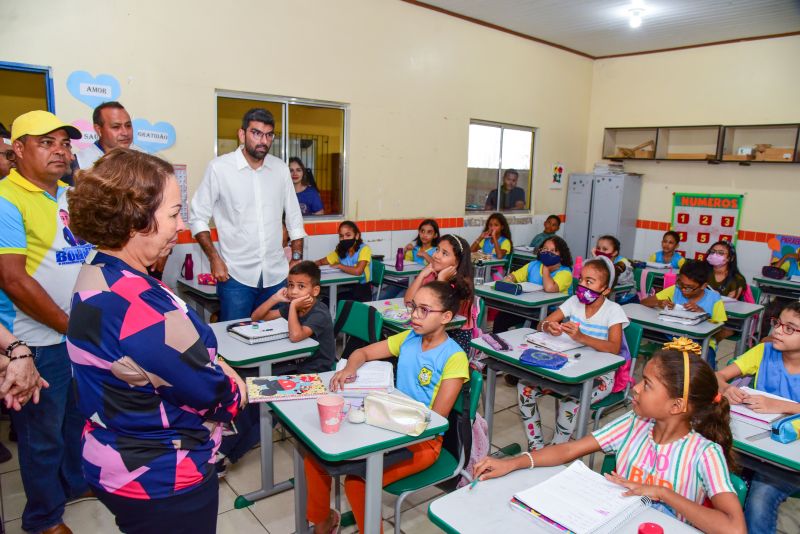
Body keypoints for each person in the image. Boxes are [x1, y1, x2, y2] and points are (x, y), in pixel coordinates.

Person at [67, 148, 246, 534]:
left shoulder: (102, 269)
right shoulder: (137, 304)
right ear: (135, 219)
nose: (181, 226)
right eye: (173, 213)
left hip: (119, 455)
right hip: (159, 475)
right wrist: (234, 387)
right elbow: (208, 392)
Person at [473, 348, 746, 533]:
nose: (636, 388)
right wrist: (514, 463)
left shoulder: (704, 453)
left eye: (647, 384)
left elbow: (734, 528)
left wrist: (662, 493)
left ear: (676, 406)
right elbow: (570, 449)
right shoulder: (634, 423)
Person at [308, 281, 469, 533]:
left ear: (446, 317)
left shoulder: (454, 357)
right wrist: (350, 368)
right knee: (316, 455)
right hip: (387, 423)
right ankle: (323, 522)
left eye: (424, 310)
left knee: (358, 483)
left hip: (422, 439)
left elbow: (437, 419)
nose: (414, 315)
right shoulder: (410, 338)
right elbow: (363, 352)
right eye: (414, 307)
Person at [0, 110, 88, 534]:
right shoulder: (6, 200)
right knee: (41, 435)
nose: (60, 151)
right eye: (46, 142)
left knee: (75, 419)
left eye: (65, 143)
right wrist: (70, 327)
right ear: (18, 150)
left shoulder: (68, 195)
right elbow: (14, 280)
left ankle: (72, 485)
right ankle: (43, 518)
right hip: (32, 339)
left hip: (73, 333)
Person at [189, 108, 306, 321]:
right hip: (236, 277)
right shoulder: (220, 169)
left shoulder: (280, 169)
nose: (263, 140)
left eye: (269, 135)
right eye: (256, 133)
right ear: (242, 134)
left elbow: (294, 219)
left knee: (276, 339)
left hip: (276, 276)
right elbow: (197, 217)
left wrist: (296, 257)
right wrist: (214, 258)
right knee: (235, 337)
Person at [518, 257, 630, 449]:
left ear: (606, 290)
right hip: (567, 367)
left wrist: (582, 337)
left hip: (600, 377)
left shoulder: (613, 311)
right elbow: (541, 324)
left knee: (572, 399)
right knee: (524, 387)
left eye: (590, 281)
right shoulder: (573, 302)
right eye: (581, 279)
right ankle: (536, 445)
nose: (582, 285)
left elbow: (614, 348)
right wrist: (549, 326)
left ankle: (556, 450)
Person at [716, 300, 800, 534]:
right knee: (712, 474)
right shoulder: (765, 351)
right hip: (752, 444)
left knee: (760, 498)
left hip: (789, 461)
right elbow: (717, 376)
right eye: (778, 323)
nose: (777, 331)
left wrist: (781, 405)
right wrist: (726, 388)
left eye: (790, 328)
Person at [641, 260, 727, 368]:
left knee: (703, 365)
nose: (683, 290)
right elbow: (644, 302)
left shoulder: (714, 299)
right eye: (681, 284)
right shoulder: (675, 290)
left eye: (689, 287)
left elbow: (721, 331)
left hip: (702, 344)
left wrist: (703, 314)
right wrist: (659, 303)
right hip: (672, 338)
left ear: (704, 286)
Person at [404, 234, 476, 351]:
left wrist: (441, 281)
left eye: (444, 253)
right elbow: (408, 302)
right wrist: (421, 276)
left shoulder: (462, 284)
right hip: (431, 331)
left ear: (457, 262)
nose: (436, 255)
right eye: (437, 249)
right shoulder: (432, 275)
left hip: (455, 335)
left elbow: (442, 313)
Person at [492, 236, 573, 335]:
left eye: (553, 251)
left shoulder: (565, 273)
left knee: (534, 332)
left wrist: (546, 267)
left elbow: (549, 288)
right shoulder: (534, 265)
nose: (548, 253)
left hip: (552, 313)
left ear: (561, 256)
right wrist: (509, 279)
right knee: (501, 319)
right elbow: (514, 276)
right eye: (545, 249)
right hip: (530, 307)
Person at [75, 101, 143, 170]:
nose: (125, 133)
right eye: (116, 127)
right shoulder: (79, 162)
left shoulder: (143, 159)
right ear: (98, 129)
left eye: (128, 125)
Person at [316, 220, 373, 302]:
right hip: (344, 287)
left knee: (330, 301)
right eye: (341, 236)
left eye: (348, 235)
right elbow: (322, 262)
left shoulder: (364, 249)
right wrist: (308, 266)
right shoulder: (341, 250)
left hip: (362, 290)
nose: (344, 239)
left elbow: (358, 271)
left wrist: (340, 266)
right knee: (324, 300)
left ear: (356, 236)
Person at [593, 234, 635, 303]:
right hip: (609, 294)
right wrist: (596, 259)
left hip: (625, 297)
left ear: (614, 252)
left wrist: (597, 260)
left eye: (605, 249)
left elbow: (612, 280)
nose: (600, 251)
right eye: (598, 248)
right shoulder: (602, 260)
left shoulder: (624, 264)